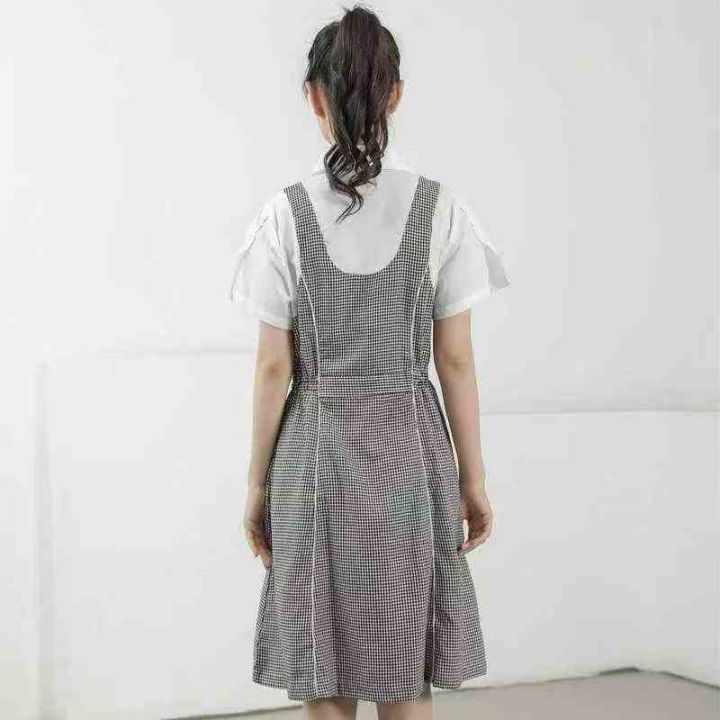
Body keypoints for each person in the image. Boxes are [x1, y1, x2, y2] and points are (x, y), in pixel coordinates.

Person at [230, 5, 510, 719]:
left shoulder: (284, 215)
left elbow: (272, 369)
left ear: (313, 98)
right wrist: (473, 479)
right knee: (401, 664)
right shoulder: (442, 210)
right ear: (395, 95)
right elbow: (455, 361)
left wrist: (257, 486)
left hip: (314, 459)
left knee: (323, 664)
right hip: (410, 456)